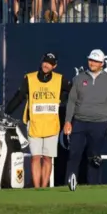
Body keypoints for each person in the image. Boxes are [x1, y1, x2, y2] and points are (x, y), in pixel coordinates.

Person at [5, 52, 71, 188]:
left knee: (47, 158)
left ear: (55, 66)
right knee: (35, 157)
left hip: (51, 125)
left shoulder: (60, 79)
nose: (47, 65)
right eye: (45, 61)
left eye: (50, 63)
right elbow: (19, 97)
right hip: (34, 123)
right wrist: (6, 111)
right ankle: (37, 188)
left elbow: (72, 93)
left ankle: (44, 187)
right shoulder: (30, 78)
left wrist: (62, 100)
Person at [64, 49, 107, 191]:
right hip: (79, 122)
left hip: (100, 123)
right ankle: (69, 186)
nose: (92, 63)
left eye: (95, 61)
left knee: (94, 156)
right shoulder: (78, 78)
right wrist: (68, 121)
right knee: (74, 154)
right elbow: (71, 101)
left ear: (102, 63)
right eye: (90, 60)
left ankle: (93, 188)